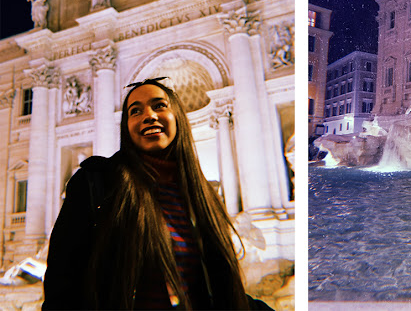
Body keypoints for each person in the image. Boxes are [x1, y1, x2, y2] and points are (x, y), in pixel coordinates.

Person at [44, 77, 272, 310]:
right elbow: (61, 284)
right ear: (126, 127)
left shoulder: (201, 196)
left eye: (159, 105)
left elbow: (216, 292)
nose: (149, 115)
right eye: (135, 111)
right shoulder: (96, 184)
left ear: (178, 119)